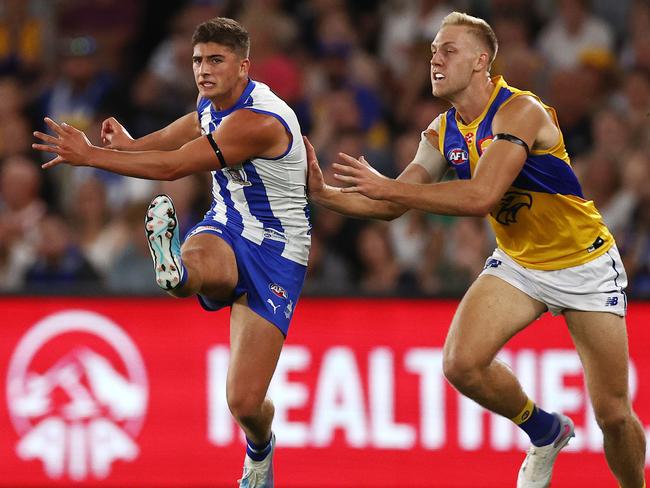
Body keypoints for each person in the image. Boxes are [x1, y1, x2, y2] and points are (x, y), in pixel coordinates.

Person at [305, 11, 646, 488]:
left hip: (583, 263)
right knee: (460, 364)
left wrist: (388, 190)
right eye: (431, 52)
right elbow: (389, 205)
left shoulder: (520, 111)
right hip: (520, 263)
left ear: (481, 61)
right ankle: (545, 431)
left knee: (612, 414)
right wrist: (323, 194)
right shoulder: (444, 130)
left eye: (449, 50)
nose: (435, 59)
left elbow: (479, 196)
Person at [33, 17, 310, 488]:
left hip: (277, 251)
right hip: (225, 224)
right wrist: (134, 144)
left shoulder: (258, 121)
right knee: (201, 263)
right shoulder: (214, 100)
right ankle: (176, 271)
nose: (203, 70)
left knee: (244, 403)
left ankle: (260, 450)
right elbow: (189, 127)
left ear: (244, 66)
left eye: (215, 61)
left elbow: (179, 163)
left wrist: (93, 156)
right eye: (198, 60)